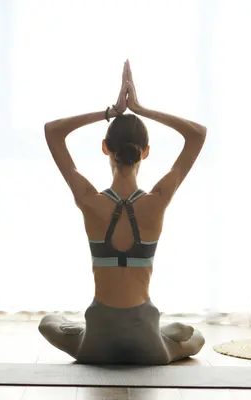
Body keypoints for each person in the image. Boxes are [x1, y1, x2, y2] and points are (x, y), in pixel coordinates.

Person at [38, 60, 207, 365]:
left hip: (96, 343)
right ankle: (167, 333)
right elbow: (197, 134)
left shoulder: (89, 200)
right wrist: (141, 109)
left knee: (48, 321)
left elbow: (52, 131)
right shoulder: (157, 200)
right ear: (145, 151)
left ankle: (81, 327)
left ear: (106, 148)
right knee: (196, 338)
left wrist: (111, 112)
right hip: (149, 346)